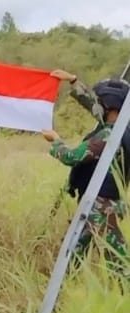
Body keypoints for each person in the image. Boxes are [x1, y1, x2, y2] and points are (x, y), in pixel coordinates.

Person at [45, 70, 130, 277]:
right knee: (75, 251)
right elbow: (93, 106)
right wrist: (73, 81)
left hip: (99, 206)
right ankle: (64, 287)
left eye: (101, 101)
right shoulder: (122, 127)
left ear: (111, 108)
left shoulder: (109, 135)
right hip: (103, 203)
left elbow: (72, 157)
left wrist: (56, 141)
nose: (96, 105)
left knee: (118, 260)